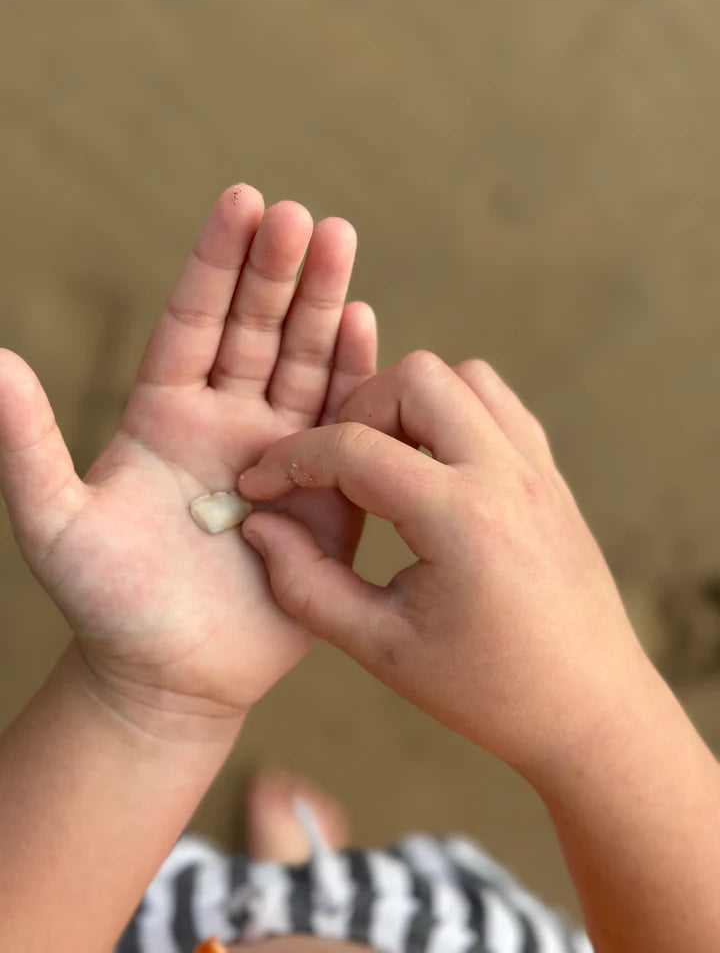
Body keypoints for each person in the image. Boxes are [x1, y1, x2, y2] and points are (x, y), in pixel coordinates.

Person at [0, 185, 718, 953]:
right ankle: (316, 875)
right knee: (360, 891)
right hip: (436, 929)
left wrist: (149, 705)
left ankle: (288, 880)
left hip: (132, 908)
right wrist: (599, 708)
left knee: (190, 864)